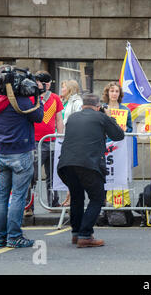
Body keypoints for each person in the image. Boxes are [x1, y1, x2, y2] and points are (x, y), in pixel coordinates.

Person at [57, 94, 125, 247]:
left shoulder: (73, 117)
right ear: (98, 107)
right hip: (88, 163)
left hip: (66, 164)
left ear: (82, 106)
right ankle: (85, 235)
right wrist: (109, 117)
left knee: (77, 197)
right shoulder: (101, 117)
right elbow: (119, 135)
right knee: (97, 198)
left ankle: (76, 234)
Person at [0, 65, 44, 248]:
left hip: (2, 153)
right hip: (21, 152)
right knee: (18, 196)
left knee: (2, 196)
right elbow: (38, 117)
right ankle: (14, 236)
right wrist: (38, 97)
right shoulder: (22, 101)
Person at [24, 71, 64, 216]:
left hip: (51, 141)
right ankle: (28, 205)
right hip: (34, 142)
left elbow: (59, 119)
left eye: (41, 82)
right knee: (31, 175)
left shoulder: (55, 98)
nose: (39, 85)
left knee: (52, 175)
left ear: (47, 84)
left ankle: (53, 203)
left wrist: (60, 138)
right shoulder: (30, 97)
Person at [59, 79, 83, 207]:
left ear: (70, 88)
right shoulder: (64, 101)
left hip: (72, 139)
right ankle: (70, 196)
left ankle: (72, 197)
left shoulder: (77, 102)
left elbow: (78, 120)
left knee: (72, 170)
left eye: (63, 87)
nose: (61, 89)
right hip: (63, 138)